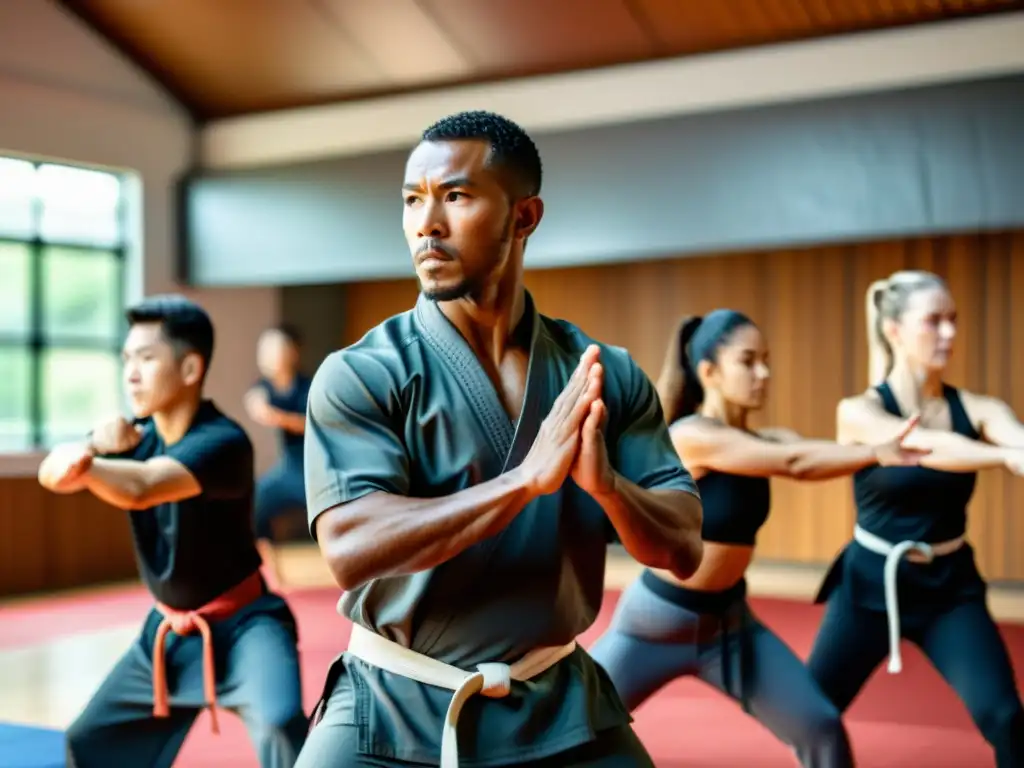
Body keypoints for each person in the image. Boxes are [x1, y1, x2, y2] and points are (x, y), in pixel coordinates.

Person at [296, 110, 704, 768]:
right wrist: (524, 482)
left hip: (558, 702)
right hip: (393, 704)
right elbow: (349, 547)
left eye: (455, 196)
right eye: (411, 200)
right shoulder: (364, 373)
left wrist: (611, 491)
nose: (426, 223)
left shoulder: (601, 374)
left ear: (524, 216)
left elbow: (683, 547)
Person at [589, 310, 926, 767]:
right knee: (576, 728)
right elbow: (793, 463)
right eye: (748, 361)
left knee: (820, 725)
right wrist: (877, 452)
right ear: (708, 371)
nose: (763, 373)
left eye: (766, 360)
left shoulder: (765, 440)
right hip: (657, 623)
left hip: (730, 625)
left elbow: (808, 453)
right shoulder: (691, 437)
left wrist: (885, 444)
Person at [37, 295, 308, 768]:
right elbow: (53, 474)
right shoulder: (130, 440)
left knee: (281, 721)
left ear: (189, 369)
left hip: (247, 626)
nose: (131, 374)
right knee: (87, 740)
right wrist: (90, 445)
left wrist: (89, 461)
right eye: (126, 360)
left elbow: (144, 486)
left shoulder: (223, 442)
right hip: (168, 632)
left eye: (146, 358)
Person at [806, 271, 1024, 767]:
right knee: (813, 713)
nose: (948, 333)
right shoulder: (859, 412)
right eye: (934, 321)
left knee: (1006, 717)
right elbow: (921, 447)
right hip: (867, 585)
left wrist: (1017, 446)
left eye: (953, 320)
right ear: (894, 330)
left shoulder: (978, 407)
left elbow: (1012, 433)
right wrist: (1004, 458)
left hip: (949, 589)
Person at [245, 324, 313, 581]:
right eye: (264, 350)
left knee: (332, 515)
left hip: (317, 468)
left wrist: (278, 417)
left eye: (274, 348)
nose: (268, 355)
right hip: (289, 468)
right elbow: (255, 399)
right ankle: (273, 573)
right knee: (254, 503)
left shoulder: (309, 386)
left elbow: (314, 424)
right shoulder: (264, 386)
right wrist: (261, 408)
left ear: (292, 352)